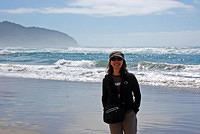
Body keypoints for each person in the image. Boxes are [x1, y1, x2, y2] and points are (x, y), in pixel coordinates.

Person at [102, 51, 141, 134]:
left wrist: (134, 110)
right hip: (113, 113)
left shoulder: (130, 77)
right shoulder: (106, 79)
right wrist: (107, 110)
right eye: (113, 59)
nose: (116, 61)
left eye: (119, 59)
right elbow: (104, 97)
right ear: (110, 62)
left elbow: (137, 94)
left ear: (123, 62)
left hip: (129, 113)